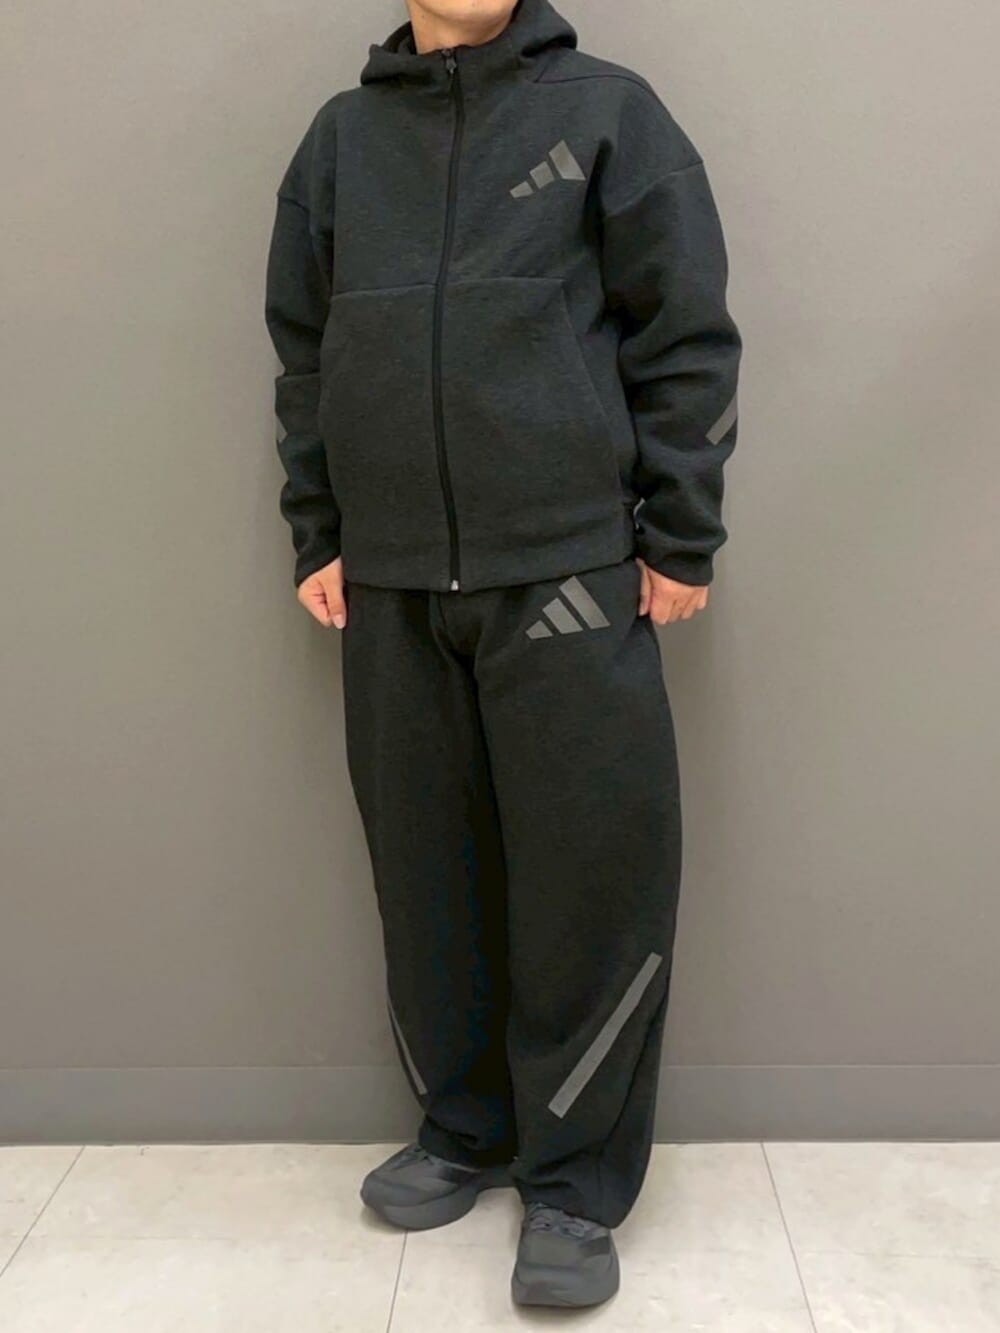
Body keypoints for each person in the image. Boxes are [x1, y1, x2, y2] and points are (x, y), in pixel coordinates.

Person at [264, 0, 740, 1309]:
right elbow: (303, 354)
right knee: (426, 876)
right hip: (392, 585)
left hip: (570, 575)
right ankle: (462, 1128)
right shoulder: (341, 142)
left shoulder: (610, 116)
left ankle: (575, 1184)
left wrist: (681, 534)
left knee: (592, 884)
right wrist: (319, 526)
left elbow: (686, 334)